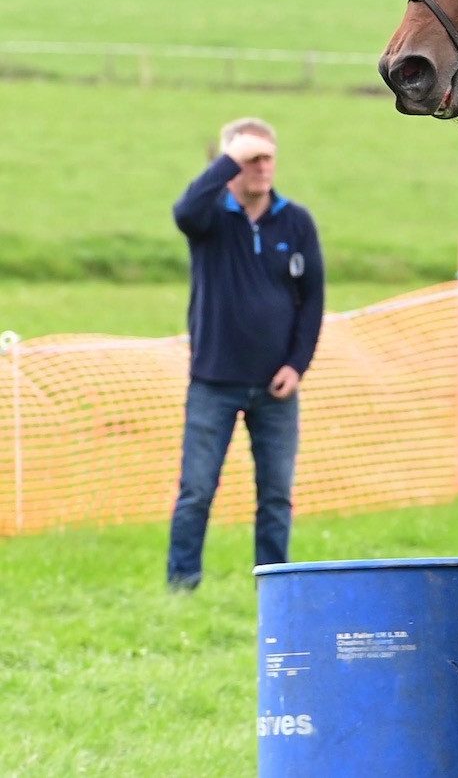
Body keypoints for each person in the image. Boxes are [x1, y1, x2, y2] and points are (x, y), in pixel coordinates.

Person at [165, 118, 325, 591]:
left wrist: (296, 365)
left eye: (267, 157)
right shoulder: (209, 218)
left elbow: (312, 301)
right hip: (213, 381)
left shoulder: (295, 222)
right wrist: (229, 158)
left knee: (275, 495)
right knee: (196, 491)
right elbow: (183, 211)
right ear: (228, 164)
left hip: (275, 388)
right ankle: (182, 583)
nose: (261, 168)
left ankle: (272, 587)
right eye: (249, 159)